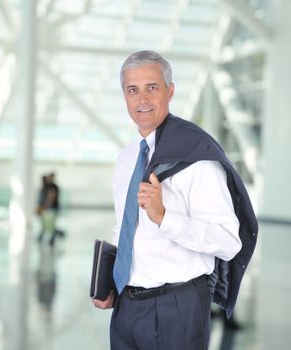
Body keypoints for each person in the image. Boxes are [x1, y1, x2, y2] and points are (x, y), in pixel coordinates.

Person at [92, 50, 257, 349]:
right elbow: (127, 227)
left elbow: (229, 241)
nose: (142, 98)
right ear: (125, 97)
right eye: (133, 90)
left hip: (177, 309)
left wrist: (165, 217)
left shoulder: (197, 157)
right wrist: (111, 281)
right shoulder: (127, 157)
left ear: (170, 91)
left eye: (152, 87)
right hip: (126, 308)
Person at [36, 172, 63, 246]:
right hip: (49, 209)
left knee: (49, 225)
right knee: (47, 225)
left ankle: (52, 238)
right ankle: (46, 238)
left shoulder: (52, 187)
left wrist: (45, 207)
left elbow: (51, 198)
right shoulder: (48, 187)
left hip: (51, 209)